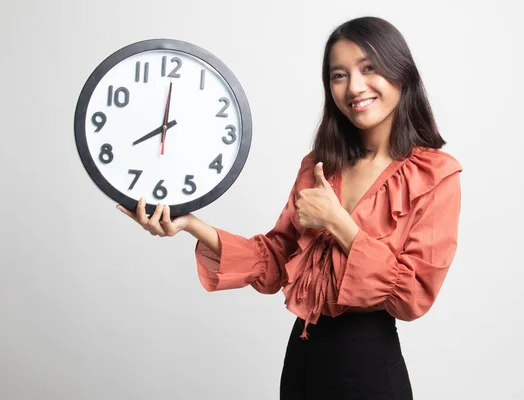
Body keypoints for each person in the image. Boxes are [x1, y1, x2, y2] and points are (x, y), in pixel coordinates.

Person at [118, 16, 462, 400]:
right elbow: (276, 259)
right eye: (339, 75)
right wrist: (192, 224)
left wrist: (338, 223)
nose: (355, 87)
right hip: (302, 361)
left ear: (401, 72)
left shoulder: (434, 175)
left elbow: (413, 296)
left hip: (368, 369)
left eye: (369, 68)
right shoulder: (320, 165)